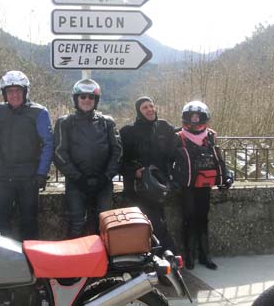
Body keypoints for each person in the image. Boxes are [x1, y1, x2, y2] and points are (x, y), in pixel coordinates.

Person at [0, 70, 54, 240]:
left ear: (25, 92)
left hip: (29, 176)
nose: (14, 95)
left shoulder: (39, 112)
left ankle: (31, 261)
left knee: (29, 222)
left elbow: (48, 143)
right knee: (0, 221)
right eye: (10, 91)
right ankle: (4, 261)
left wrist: (42, 173)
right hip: (4, 174)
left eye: (18, 91)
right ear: (4, 94)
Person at [53, 79, 122, 238]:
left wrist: (106, 176)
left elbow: (117, 151)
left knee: (105, 223)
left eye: (91, 97)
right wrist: (78, 177)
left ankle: (104, 261)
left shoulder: (107, 122)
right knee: (77, 222)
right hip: (76, 182)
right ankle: (75, 260)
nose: (86, 100)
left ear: (96, 100)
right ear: (76, 99)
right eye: (82, 96)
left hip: (103, 181)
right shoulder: (65, 122)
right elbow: (59, 152)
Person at [173, 101, 233, 270]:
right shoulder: (178, 136)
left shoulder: (211, 136)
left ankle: (205, 256)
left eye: (197, 116)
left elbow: (218, 158)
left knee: (202, 219)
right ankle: (189, 256)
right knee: (188, 219)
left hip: (204, 184)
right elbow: (169, 159)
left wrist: (226, 176)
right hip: (187, 184)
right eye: (191, 116)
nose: (194, 119)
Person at [119, 96, 177, 254]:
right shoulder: (127, 132)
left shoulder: (164, 127)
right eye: (145, 107)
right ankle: (168, 259)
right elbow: (118, 160)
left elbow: (178, 146)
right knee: (147, 226)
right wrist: (133, 172)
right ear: (138, 111)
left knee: (158, 224)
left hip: (158, 188)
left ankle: (161, 260)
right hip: (137, 189)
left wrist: (205, 133)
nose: (150, 109)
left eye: (151, 106)